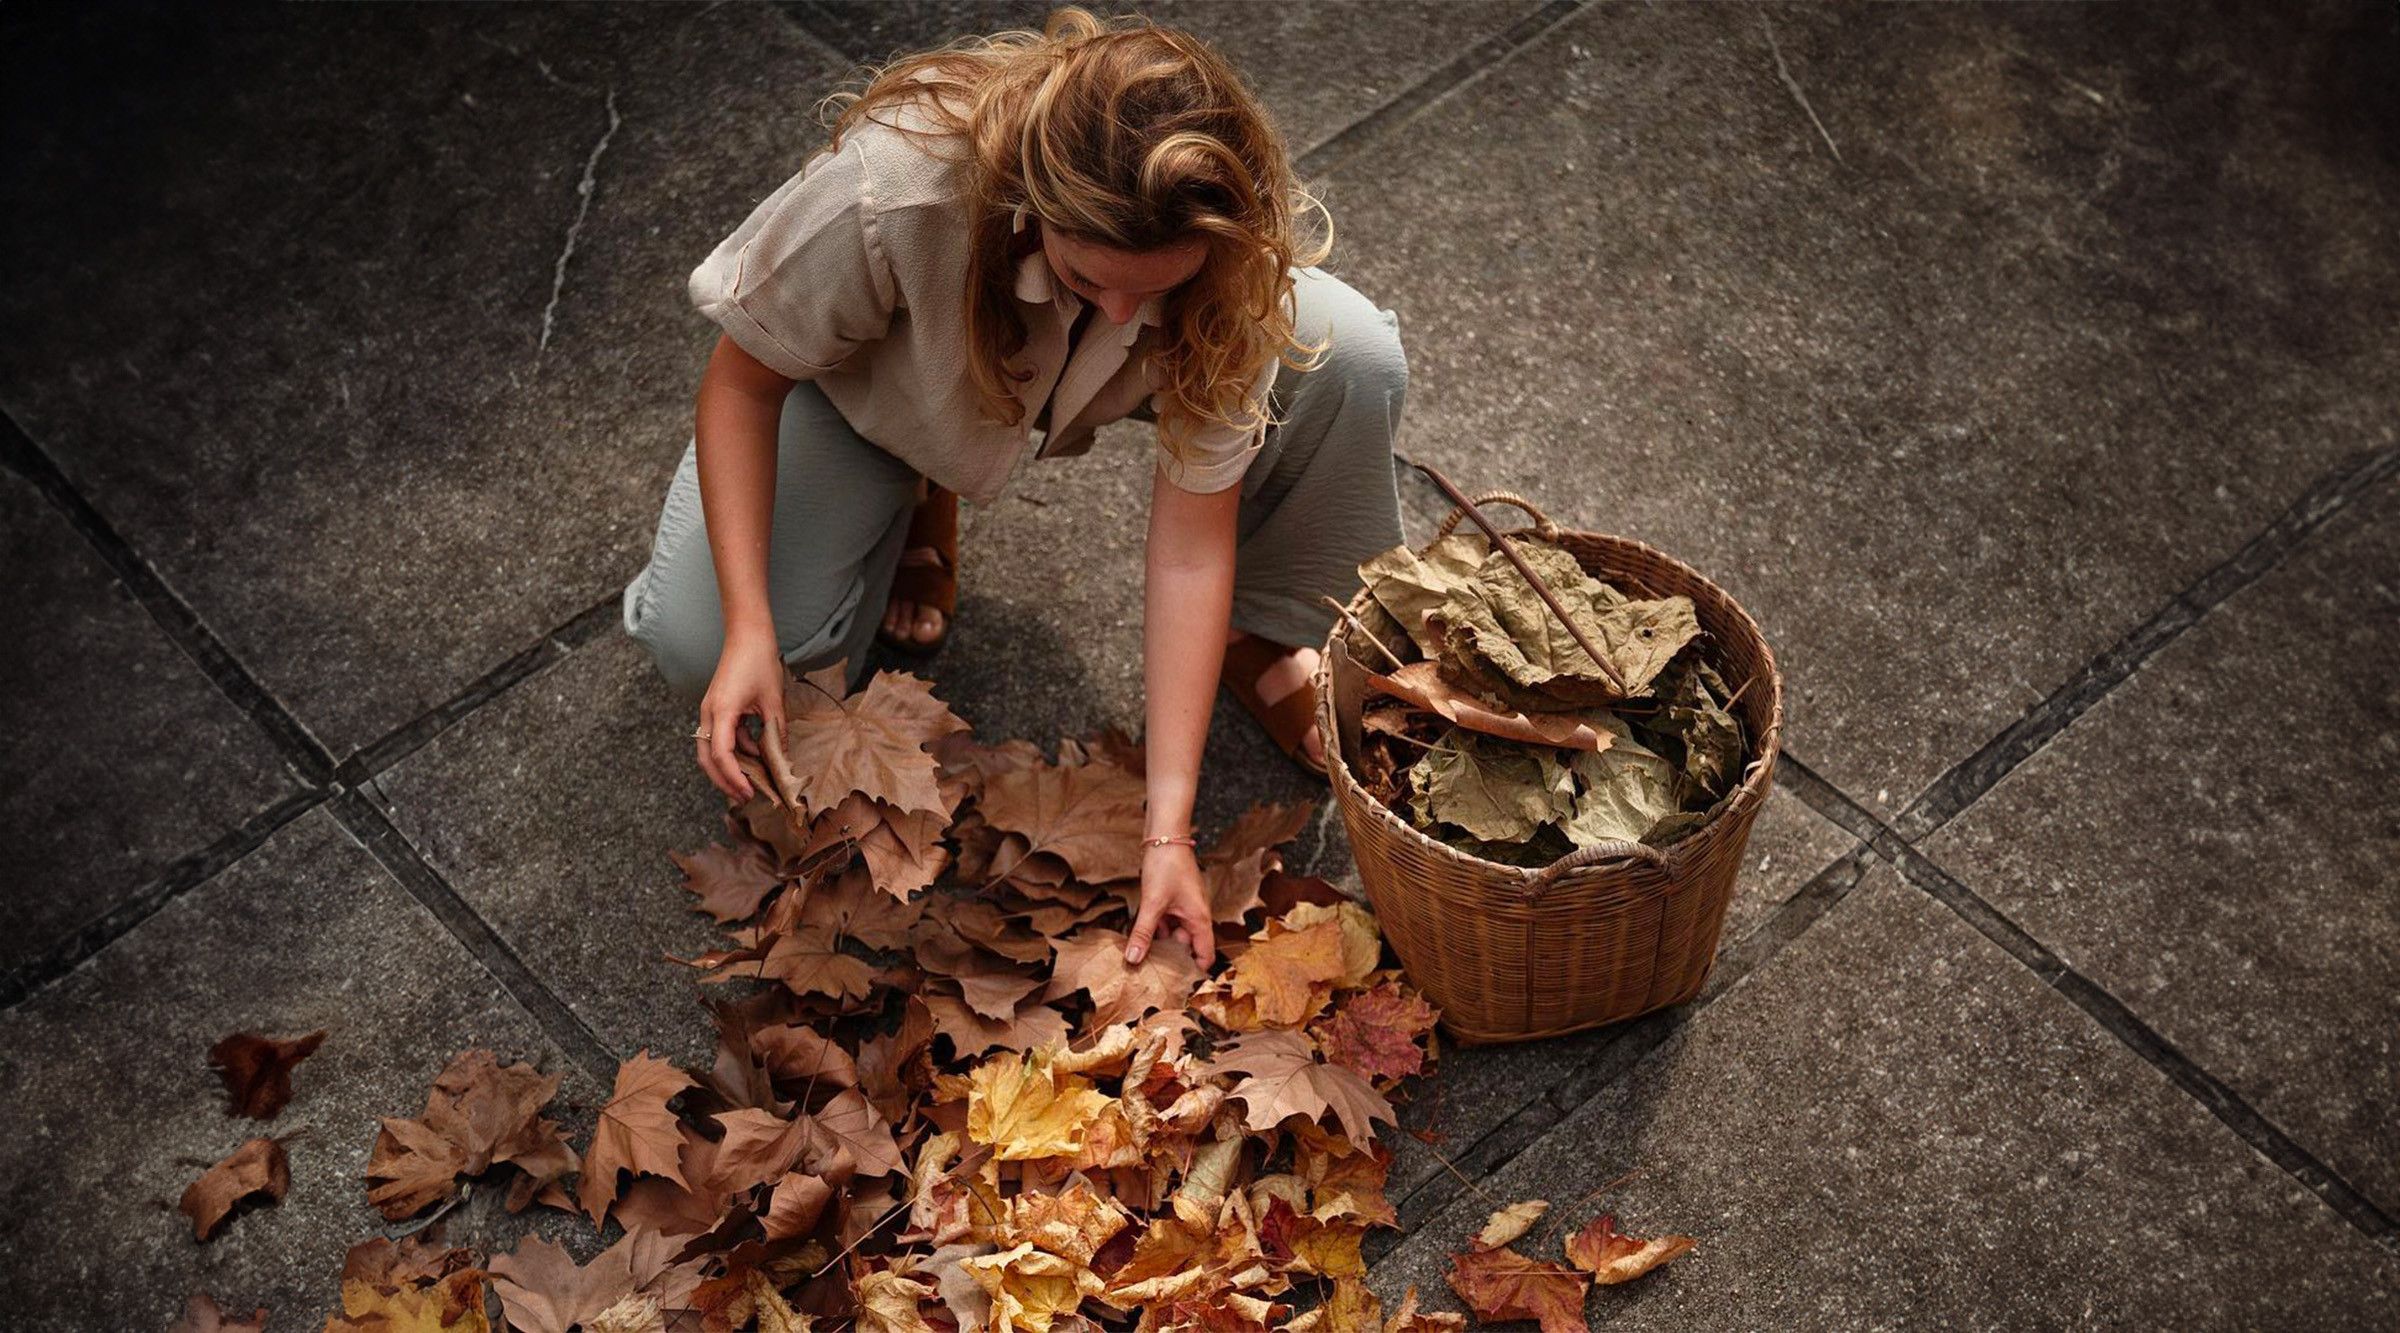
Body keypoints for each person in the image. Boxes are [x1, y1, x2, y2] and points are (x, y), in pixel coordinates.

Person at [621, 6, 1408, 969]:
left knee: (1351, 355)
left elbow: (1192, 541)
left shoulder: (1217, 249)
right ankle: (912, 474)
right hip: (874, 381)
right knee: (705, 648)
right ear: (1034, 206)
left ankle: (1259, 632)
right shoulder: (892, 188)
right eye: (1091, 275)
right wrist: (748, 626)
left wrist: (1169, 832)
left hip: (1075, 378)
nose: (1126, 311)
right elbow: (743, 384)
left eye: (1155, 289)